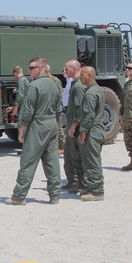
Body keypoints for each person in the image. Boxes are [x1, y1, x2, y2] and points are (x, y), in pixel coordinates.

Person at [6, 57, 62, 206]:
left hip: (38, 124)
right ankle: (55, 196)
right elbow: (58, 109)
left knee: (28, 161)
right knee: (52, 161)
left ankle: (19, 196)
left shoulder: (34, 86)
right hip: (51, 123)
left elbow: (29, 110)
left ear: (41, 68)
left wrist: (22, 129)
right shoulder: (54, 85)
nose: (29, 70)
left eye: (32, 68)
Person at [77, 66, 106, 201]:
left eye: (82, 74)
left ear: (89, 76)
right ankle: (92, 188)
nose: (80, 77)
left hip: (92, 131)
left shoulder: (90, 93)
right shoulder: (97, 90)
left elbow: (89, 115)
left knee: (92, 161)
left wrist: (83, 132)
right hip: (97, 129)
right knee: (90, 160)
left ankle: (97, 191)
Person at [61, 60, 84, 191]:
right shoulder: (73, 83)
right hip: (70, 122)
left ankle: (81, 184)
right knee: (69, 154)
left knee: (77, 155)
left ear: (74, 69)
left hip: (76, 126)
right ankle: (73, 181)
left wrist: (74, 126)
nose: (64, 71)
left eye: (67, 69)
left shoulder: (79, 85)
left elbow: (79, 108)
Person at [46, 63, 65, 154]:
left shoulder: (55, 80)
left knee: (58, 126)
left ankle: (62, 146)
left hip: (55, 106)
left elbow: (59, 93)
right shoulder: (45, 80)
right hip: (48, 107)